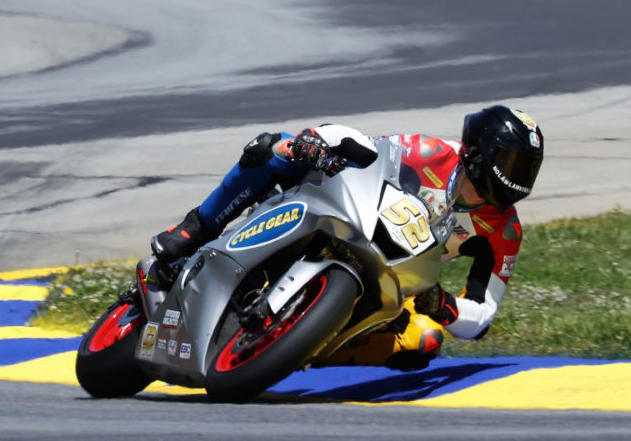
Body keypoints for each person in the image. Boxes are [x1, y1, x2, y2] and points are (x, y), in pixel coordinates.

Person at [150, 105, 544, 370]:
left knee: (423, 340)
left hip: (394, 282)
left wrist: (442, 305)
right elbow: (365, 146)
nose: (517, 177)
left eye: (526, 169)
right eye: (510, 163)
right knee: (276, 148)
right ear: (480, 152)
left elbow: (484, 315)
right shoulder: (430, 151)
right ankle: (196, 227)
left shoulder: (504, 230)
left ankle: (307, 349)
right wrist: (317, 141)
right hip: (349, 218)